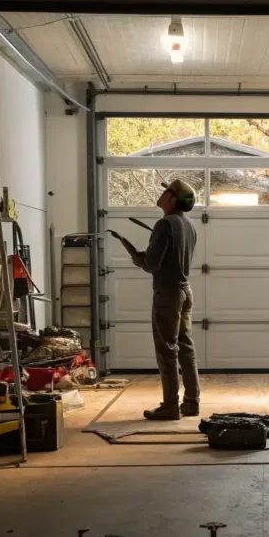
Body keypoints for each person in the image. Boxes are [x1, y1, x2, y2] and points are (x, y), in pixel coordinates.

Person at [109, 180, 199, 420]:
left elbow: (151, 265)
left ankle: (170, 405)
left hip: (167, 293)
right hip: (185, 290)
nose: (161, 193)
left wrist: (137, 257)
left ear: (172, 197)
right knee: (185, 346)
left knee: (167, 350)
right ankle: (192, 402)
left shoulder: (165, 223)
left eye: (165, 191)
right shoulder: (188, 225)